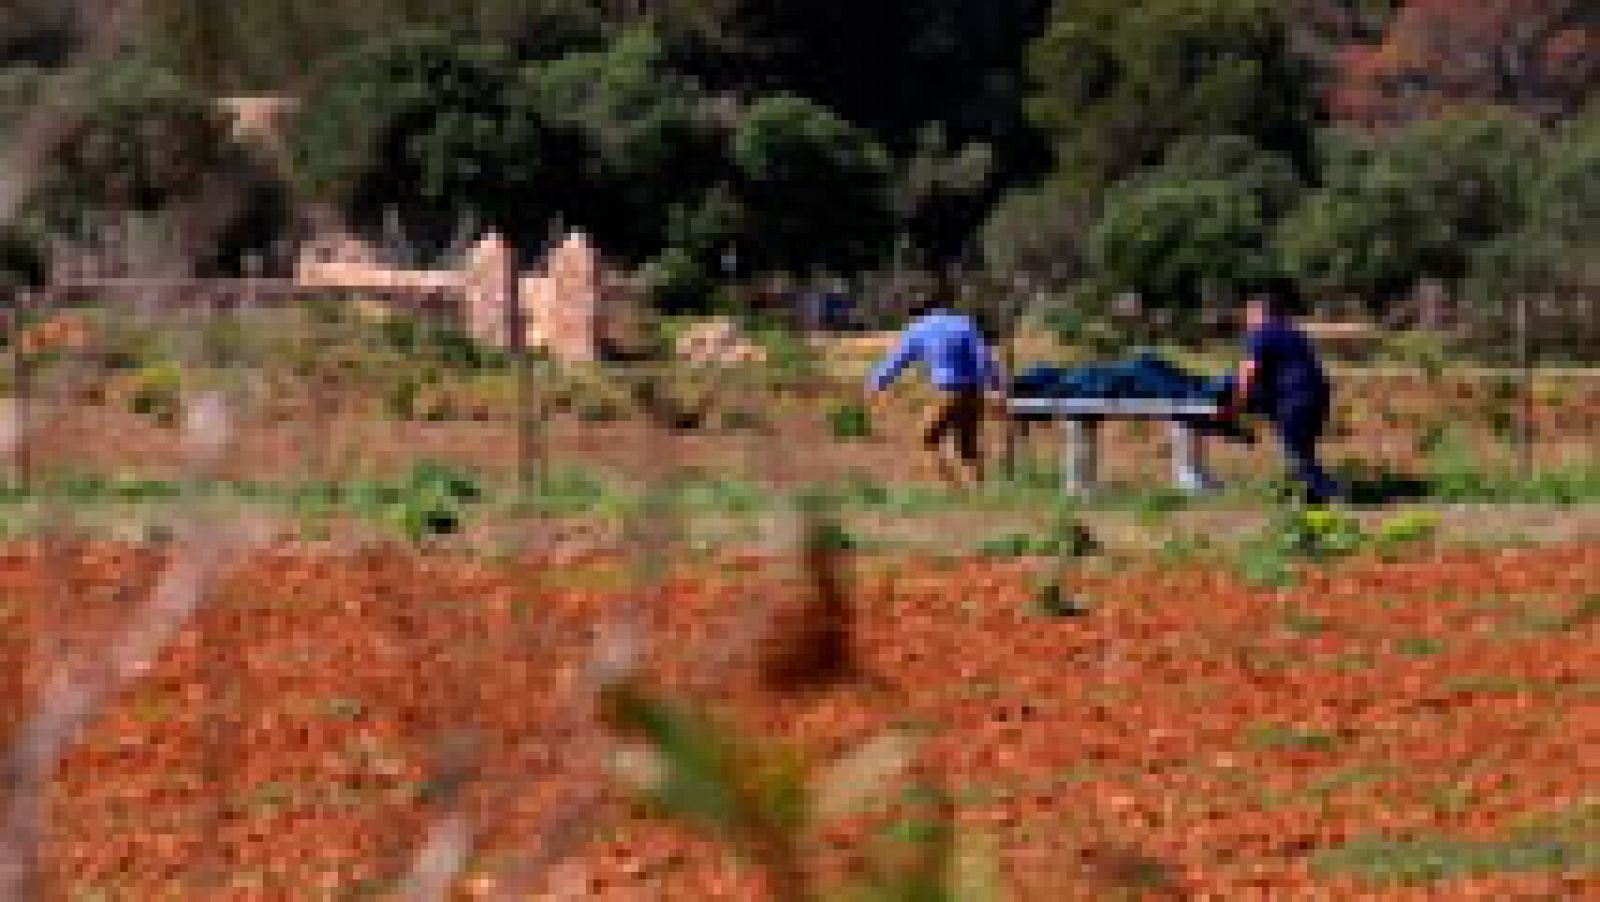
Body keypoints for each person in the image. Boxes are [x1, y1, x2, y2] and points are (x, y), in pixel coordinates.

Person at [867, 288, 1002, 487]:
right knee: (967, 443)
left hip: (947, 392)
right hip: (974, 392)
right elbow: (983, 356)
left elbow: (898, 359)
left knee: (927, 440)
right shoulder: (965, 324)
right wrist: (993, 385)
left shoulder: (919, 329)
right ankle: (979, 490)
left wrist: (877, 382)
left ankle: (951, 488)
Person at [1226, 288, 1343, 504]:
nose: (1247, 319)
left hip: (1294, 399)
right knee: (1303, 451)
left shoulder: (1261, 334)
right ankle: (1313, 499)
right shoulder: (1293, 332)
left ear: (1261, 313)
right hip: (1316, 397)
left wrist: (1237, 405)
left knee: (1297, 455)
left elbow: (1248, 373)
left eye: (1249, 314)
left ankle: (1334, 494)